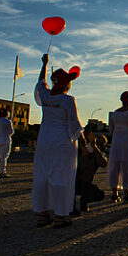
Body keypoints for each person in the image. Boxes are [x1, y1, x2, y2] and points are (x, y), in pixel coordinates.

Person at [31, 54, 83, 228]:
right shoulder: (68, 100)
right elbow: (74, 124)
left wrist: (44, 65)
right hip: (62, 142)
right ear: (67, 84)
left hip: (45, 140)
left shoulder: (46, 97)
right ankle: (60, 215)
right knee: (62, 177)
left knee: (42, 175)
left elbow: (40, 83)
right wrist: (83, 142)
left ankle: (42, 214)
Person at [72, 131, 108, 215]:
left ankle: (84, 201)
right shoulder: (82, 152)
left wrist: (94, 147)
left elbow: (103, 163)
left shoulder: (97, 155)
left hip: (85, 184)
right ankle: (70, 207)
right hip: (73, 183)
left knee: (99, 194)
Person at [0, 108, 14, 178]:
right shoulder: (8, 121)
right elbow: (11, 132)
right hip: (5, 140)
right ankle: (2, 171)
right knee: (3, 157)